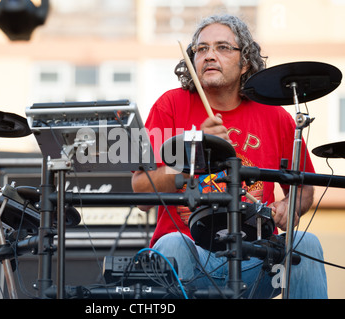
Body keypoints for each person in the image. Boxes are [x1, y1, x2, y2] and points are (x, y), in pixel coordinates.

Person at [132, 14, 327, 299]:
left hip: (256, 257)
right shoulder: (170, 105)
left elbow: (305, 187)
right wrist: (194, 152)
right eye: (201, 49)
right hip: (189, 254)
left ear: (245, 61)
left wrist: (290, 205)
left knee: (305, 243)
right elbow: (140, 193)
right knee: (172, 244)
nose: (209, 55)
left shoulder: (276, 116)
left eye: (222, 47)